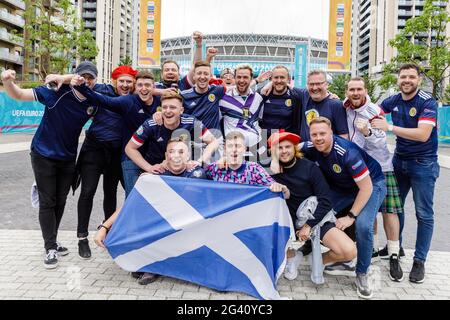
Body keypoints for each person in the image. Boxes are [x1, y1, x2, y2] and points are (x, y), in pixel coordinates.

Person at [1, 62, 99, 269]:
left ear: (95, 81)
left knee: (61, 200)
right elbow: (18, 95)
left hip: (68, 157)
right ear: (75, 77)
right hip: (43, 153)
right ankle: (50, 248)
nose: (86, 81)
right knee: (48, 200)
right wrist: (7, 82)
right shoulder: (56, 91)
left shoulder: (94, 99)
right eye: (83, 76)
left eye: (91, 78)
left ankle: (52, 240)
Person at [94, 138, 206, 285]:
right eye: (171, 152)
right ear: (166, 156)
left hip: (190, 225)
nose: (176, 155)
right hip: (163, 225)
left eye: (181, 151)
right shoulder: (156, 174)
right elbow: (130, 204)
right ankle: (152, 264)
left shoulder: (197, 173)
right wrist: (105, 227)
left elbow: (185, 206)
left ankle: (173, 262)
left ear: (187, 156)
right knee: (142, 214)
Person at [301, 117, 386, 299]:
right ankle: (328, 253)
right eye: (314, 134)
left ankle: (362, 272)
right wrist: (275, 160)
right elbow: (286, 147)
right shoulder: (310, 146)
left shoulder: (347, 152)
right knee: (319, 212)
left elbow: (366, 188)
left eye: (323, 133)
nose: (318, 138)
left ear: (331, 133)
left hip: (371, 184)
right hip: (344, 187)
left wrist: (351, 216)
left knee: (363, 225)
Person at [371, 63, 440, 284]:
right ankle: (395, 248)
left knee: (424, 214)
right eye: (403, 77)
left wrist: (389, 128)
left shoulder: (427, 102)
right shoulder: (395, 99)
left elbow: (422, 134)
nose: (407, 80)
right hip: (399, 161)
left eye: (411, 77)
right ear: (398, 80)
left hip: (424, 163)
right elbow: (373, 110)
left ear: (418, 79)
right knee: (393, 208)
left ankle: (419, 261)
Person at [268, 132, 356, 281]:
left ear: (294, 148)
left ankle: (318, 260)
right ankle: (291, 255)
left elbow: (325, 200)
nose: (284, 151)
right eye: (279, 148)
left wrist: (308, 226)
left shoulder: (309, 168)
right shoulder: (269, 171)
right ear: (273, 152)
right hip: (285, 222)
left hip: (313, 218)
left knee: (349, 251)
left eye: (287, 146)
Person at [344, 77, 404, 282]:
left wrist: (367, 131)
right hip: (358, 170)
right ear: (347, 91)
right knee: (368, 213)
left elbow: (380, 140)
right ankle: (373, 249)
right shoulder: (345, 108)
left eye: (359, 89)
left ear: (365, 90)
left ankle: (394, 253)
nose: (355, 93)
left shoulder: (375, 110)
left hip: (382, 167)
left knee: (389, 211)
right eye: (351, 89)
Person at [71, 71, 161, 197]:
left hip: (154, 158)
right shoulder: (128, 101)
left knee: (155, 198)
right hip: (130, 158)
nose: (144, 88)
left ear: (154, 87)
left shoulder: (161, 103)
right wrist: (80, 86)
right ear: (135, 87)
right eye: (140, 85)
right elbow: (102, 99)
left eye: (147, 85)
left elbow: (178, 102)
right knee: (133, 198)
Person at [125, 91, 219, 174]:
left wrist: (199, 161)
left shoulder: (190, 122)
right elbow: (129, 148)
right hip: (156, 169)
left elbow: (213, 142)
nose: (168, 111)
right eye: (164, 107)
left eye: (172, 107)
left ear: (181, 110)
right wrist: (149, 168)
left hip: (180, 168)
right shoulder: (151, 124)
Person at [205, 131, 289, 198]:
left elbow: (285, 195)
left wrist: (282, 189)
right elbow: (197, 180)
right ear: (224, 149)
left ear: (245, 149)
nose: (234, 150)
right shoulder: (214, 168)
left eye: (238, 146)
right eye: (230, 146)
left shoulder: (254, 169)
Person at [218, 64, 266, 163]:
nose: (242, 80)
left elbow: (259, 121)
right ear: (234, 78)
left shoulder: (259, 98)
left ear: (251, 78)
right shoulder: (223, 99)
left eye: (245, 77)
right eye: (239, 77)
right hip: (233, 152)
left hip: (255, 150)